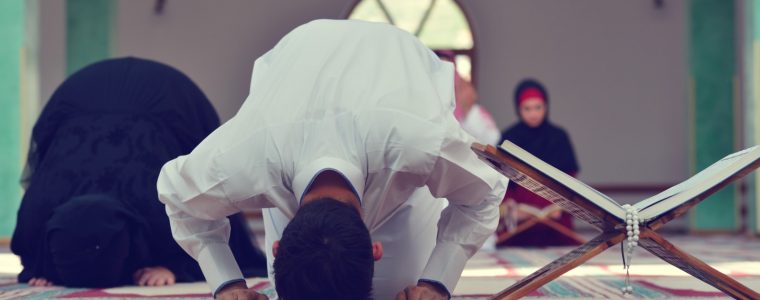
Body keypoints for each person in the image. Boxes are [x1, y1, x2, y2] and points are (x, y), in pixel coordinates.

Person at [157, 20, 507, 300]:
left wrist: (436, 283)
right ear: (276, 248)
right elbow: (177, 195)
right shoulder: (247, 157)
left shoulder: (418, 143)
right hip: (298, 66)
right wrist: (227, 285)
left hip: (399, 68)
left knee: (395, 293)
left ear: (375, 249)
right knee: (293, 289)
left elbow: (486, 191)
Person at [11, 57, 267, 288]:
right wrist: (42, 269)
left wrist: (174, 267)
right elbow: (31, 254)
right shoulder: (39, 212)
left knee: (203, 178)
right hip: (80, 100)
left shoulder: (163, 203)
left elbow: (209, 217)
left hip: (167, 99)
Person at [498, 79, 581, 247]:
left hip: (556, 216)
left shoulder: (558, 136)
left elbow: (570, 177)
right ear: (518, 109)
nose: (533, 114)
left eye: (538, 107)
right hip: (521, 219)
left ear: (546, 107)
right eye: (527, 108)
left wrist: (560, 205)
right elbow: (501, 176)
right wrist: (511, 206)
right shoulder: (509, 138)